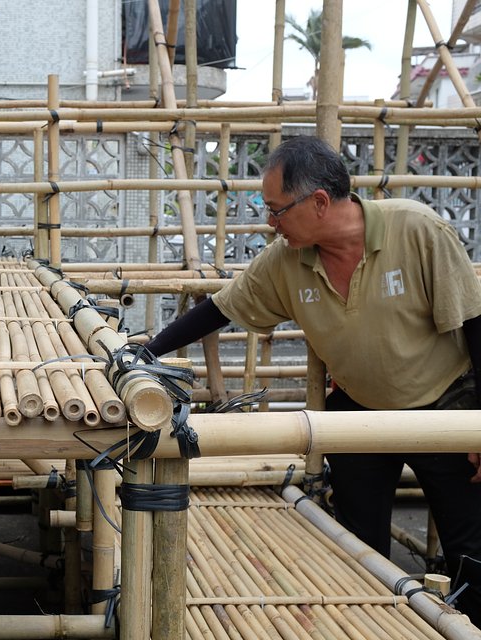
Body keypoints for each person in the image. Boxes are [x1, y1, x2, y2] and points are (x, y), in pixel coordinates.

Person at [145, 135, 481, 625]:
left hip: (446, 406)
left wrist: (480, 425)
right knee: (358, 546)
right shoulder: (286, 260)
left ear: (320, 202)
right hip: (359, 413)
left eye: (277, 210)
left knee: (469, 544)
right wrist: (145, 352)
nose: (270, 222)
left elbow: (475, 323)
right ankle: (375, 629)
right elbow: (220, 309)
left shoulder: (418, 230)